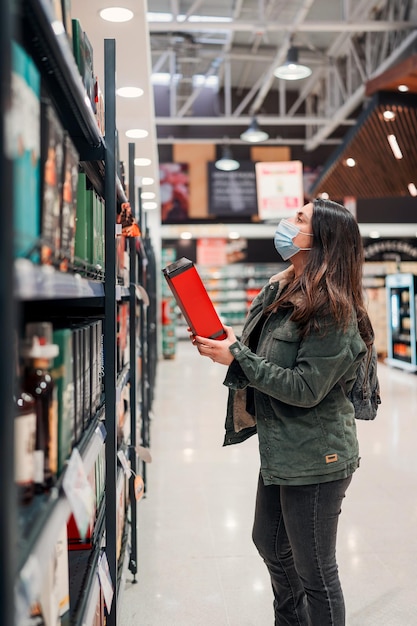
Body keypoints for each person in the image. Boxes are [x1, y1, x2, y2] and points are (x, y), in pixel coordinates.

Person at [190, 197, 374, 626]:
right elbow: (262, 353)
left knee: (317, 573)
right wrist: (225, 342)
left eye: (300, 218)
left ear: (321, 239)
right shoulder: (282, 287)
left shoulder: (334, 309)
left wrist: (237, 358)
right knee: (270, 542)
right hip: (283, 447)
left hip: (317, 456)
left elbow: (305, 388)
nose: (288, 222)